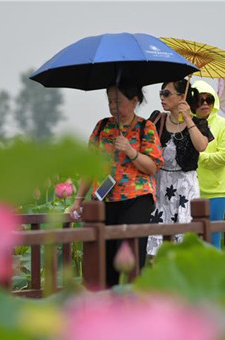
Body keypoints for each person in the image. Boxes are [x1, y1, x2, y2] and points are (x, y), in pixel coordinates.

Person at [69, 83, 164, 287]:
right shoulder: (102, 127)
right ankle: (107, 298)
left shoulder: (145, 127)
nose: (113, 106)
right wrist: (78, 200)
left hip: (136, 199)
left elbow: (152, 167)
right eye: (110, 101)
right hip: (104, 198)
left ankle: (130, 297)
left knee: (129, 253)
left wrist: (131, 151)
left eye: (118, 101)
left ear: (134, 100)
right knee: (105, 256)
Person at [147, 79, 212, 256]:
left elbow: (201, 145)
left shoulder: (198, 123)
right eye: (161, 93)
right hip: (161, 185)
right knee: (158, 239)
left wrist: (188, 118)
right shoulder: (157, 119)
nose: (162, 97)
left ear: (181, 97)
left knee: (185, 238)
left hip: (185, 187)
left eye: (166, 93)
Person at [191, 80, 225, 249]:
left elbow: (224, 156)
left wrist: (198, 157)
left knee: (213, 239)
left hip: (215, 191)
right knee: (191, 240)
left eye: (208, 99)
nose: (204, 104)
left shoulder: (223, 125)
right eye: (199, 100)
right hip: (190, 190)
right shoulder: (187, 124)